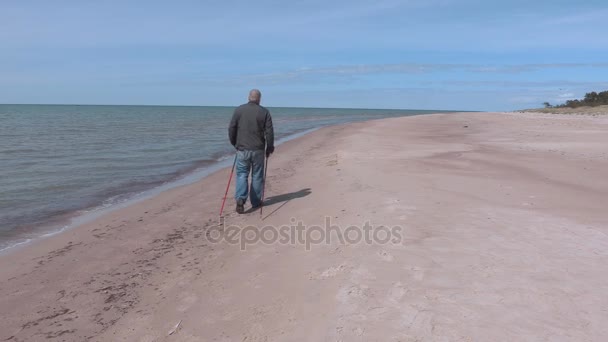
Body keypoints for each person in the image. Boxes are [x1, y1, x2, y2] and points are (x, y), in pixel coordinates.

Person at [228, 89, 274, 214]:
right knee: (257, 176)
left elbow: (232, 128)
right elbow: (269, 132)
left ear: (249, 97)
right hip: (258, 150)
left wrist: (235, 143)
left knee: (242, 174)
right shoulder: (264, 112)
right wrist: (270, 147)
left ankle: (241, 199)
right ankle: (255, 201)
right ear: (259, 99)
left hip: (242, 149)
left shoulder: (239, 110)